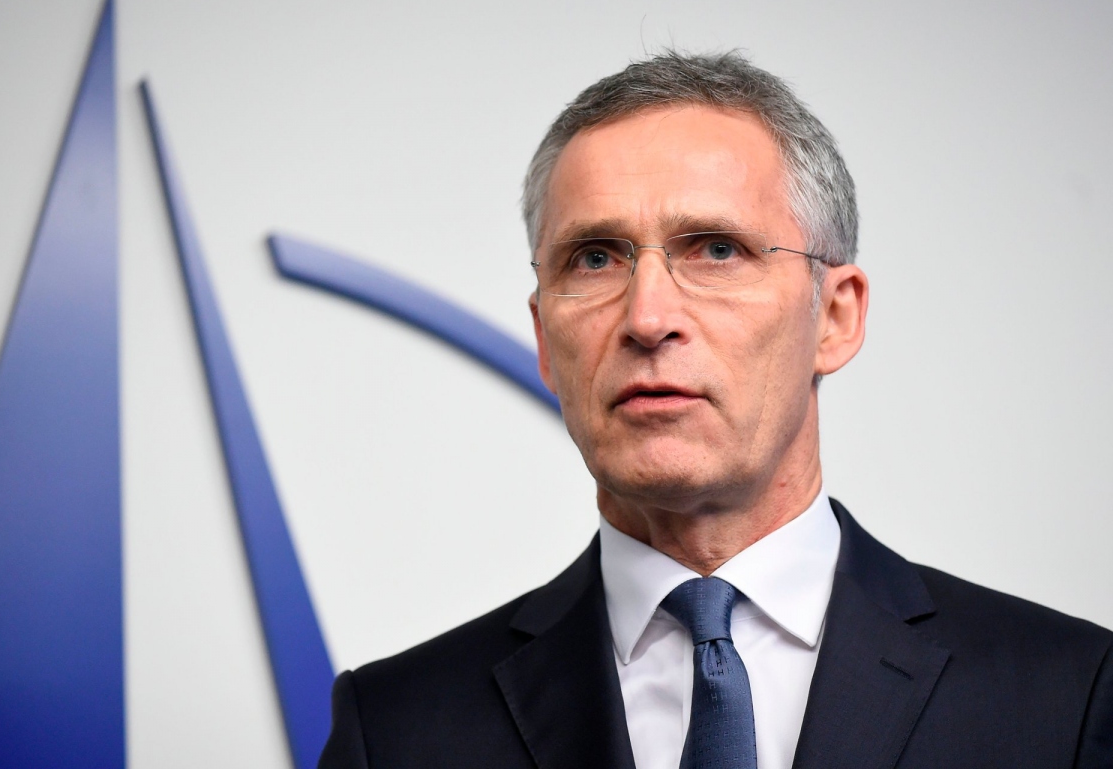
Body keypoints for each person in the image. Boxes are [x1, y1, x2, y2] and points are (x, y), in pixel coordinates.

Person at [318, 52, 1113, 768]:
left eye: (716, 248)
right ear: (545, 341)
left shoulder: (1069, 696)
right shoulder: (394, 729)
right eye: (595, 258)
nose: (647, 316)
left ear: (835, 317)